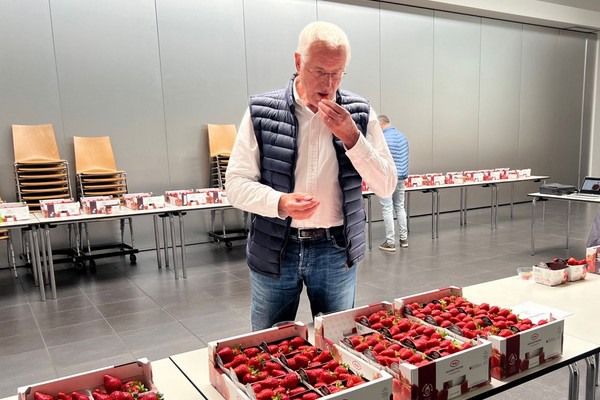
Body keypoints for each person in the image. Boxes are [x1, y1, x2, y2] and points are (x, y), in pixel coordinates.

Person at [225, 21, 397, 331]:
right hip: (275, 247)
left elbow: (386, 185)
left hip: (335, 249)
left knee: (337, 341)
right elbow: (235, 184)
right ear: (298, 62)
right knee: (268, 345)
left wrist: (352, 137)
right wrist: (280, 202)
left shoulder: (359, 112)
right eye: (319, 71)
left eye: (338, 73)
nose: (329, 83)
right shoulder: (261, 111)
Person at [377, 115, 409, 252]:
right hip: (401, 177)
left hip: (387, 179)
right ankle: (404, 239)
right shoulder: (402, 136)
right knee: (400, 207)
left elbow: (379, 160)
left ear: (380, 124)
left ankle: (390, 242)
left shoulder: (383, 139)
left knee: (387, 208)